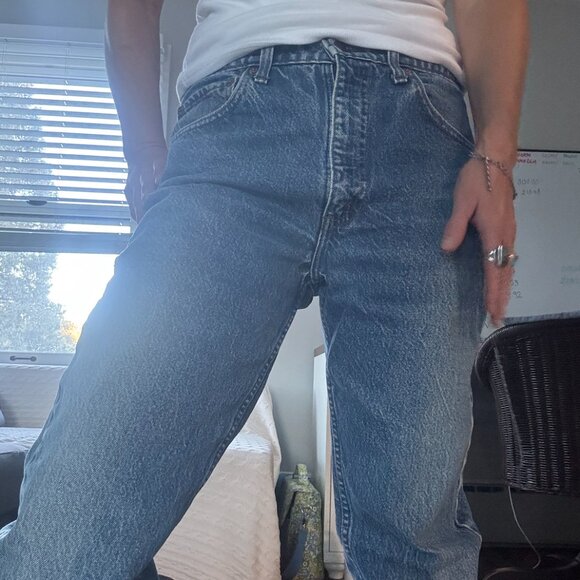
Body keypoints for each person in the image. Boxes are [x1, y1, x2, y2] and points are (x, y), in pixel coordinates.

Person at [0, 0, 529, 578]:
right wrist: (142, 150)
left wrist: (497, 158)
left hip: (418, 143)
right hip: (232, 125)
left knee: (415, 542)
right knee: (66, 537)